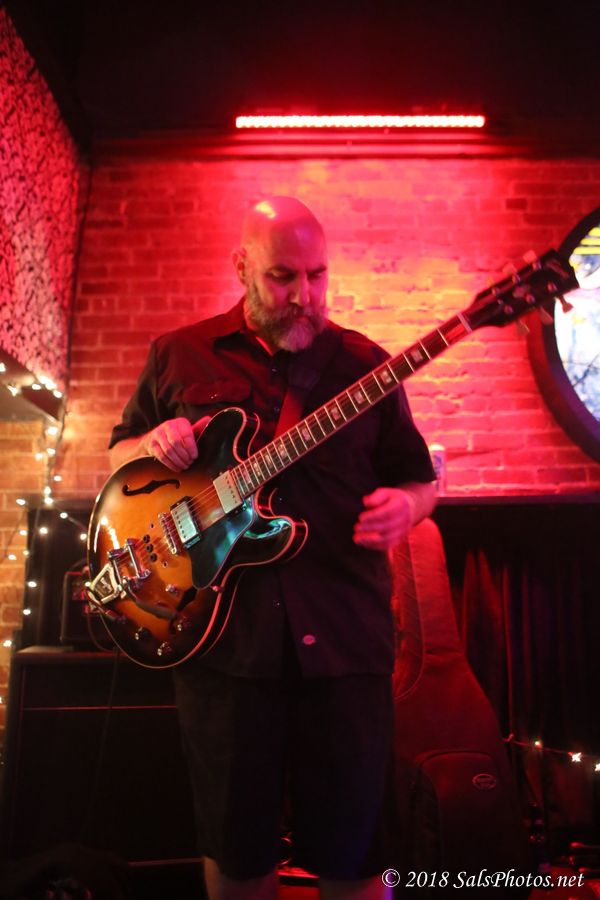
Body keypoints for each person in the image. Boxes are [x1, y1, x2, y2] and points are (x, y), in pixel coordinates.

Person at [108, 196, 437, 900]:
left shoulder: (367, 367)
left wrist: (407, 506)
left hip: (345, 644)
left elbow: (419, 479)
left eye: (318, 276)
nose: (304, 296)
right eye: (283, 277)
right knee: (237, 854)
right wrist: (150, 444)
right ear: (242, 267)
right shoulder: (178, 354)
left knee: (358, 856)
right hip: (223, 648)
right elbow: (117, 456)